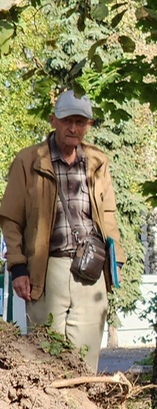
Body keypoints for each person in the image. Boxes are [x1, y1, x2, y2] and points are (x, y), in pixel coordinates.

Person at [0, 89, 125, 373]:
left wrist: (115, 259)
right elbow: (10, 219)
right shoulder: (29, 161)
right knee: (46, 356)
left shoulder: (97, 162)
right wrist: (18, 268)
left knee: (85, 358)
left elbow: (108, 214)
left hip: (90, 270)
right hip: (46, 270)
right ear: (53, 120)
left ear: (89, 125)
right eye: (67, 120)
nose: (73, 128)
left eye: (80, 122)